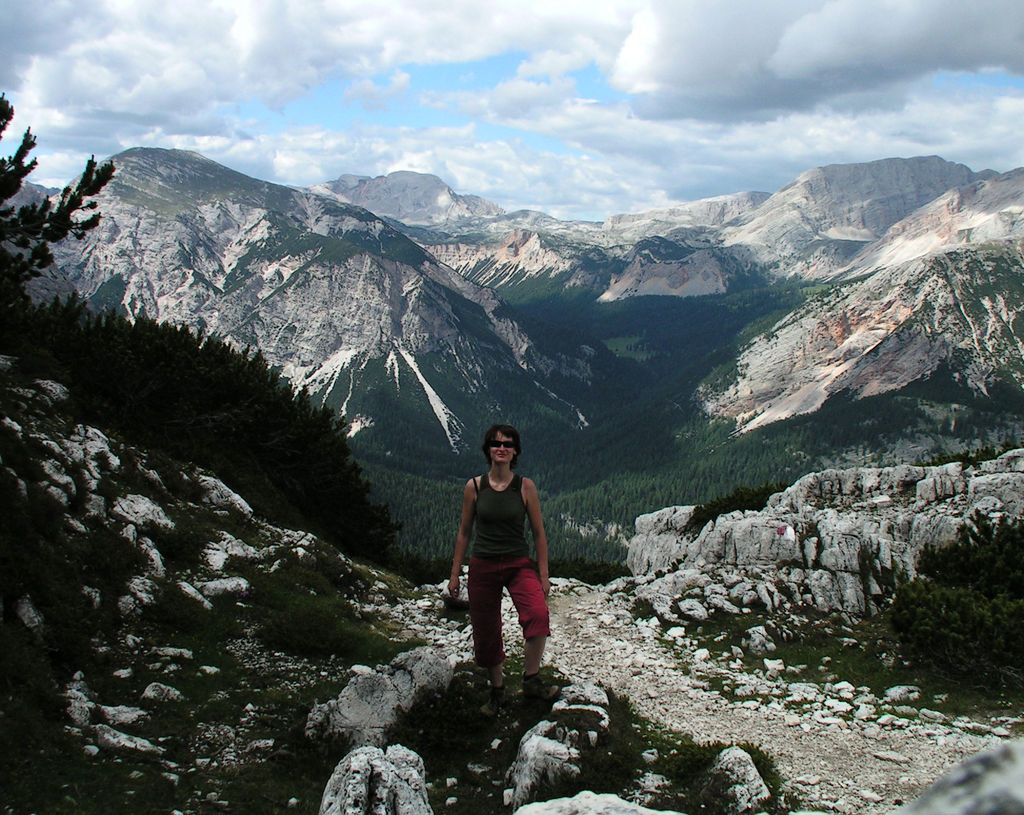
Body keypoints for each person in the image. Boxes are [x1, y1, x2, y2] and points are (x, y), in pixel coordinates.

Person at [448, 424, 559, 716]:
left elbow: (539, 534)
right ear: (488, 450)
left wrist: (543, 575)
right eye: (496, 444)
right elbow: (464, 532)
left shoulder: (525, 487)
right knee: (486, 630)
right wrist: (455, 573)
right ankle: (497, 690)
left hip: (518, 563)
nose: (502, 448)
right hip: (482, 564)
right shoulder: (474, 487)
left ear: (515, 451)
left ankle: (531, 678)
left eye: (508, 444)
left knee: (537, 613)